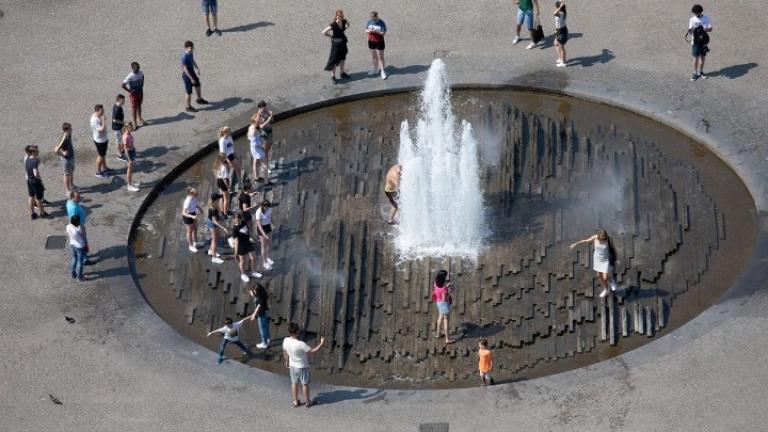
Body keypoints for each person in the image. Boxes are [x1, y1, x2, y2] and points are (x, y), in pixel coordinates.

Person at [282, 323, 326, 408]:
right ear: (297, 332)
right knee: (304, 384)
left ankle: (295, 401)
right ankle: (308, 402)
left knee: (294, 383)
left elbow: (285, 352)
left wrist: (286, 361)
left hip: (292, 365)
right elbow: (313, 351)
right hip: (302, 366)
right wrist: (321, 344)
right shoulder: (301, 344)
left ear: (289, 332)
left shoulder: (285, 340)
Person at [570, 229, 619, 298]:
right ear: (598, 236)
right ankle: (605, 289)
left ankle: (611, 281)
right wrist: (575, 244)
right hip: (597, 259)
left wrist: (616, 259)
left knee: (605, 277)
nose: (602, 239)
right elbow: (586, 241)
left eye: (604, 238)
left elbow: (613, 249)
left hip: (605, 260)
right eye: (601, 238)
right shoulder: (595, 237)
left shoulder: (608, 239)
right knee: (599, 276)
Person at [232, 212, 262, 282]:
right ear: (233, 220)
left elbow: (249, 232)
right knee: (242, 261)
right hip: (241, 246)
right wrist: (236, 252)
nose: (238, 220)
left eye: (239, 218)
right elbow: (236, 241)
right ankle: (243, 274)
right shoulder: (234, 229)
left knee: (253, 257)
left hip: (248, 242)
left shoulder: (244, 223)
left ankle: (253, 272)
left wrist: (255, 238)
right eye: (236, 219)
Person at [322, 10, 351, 84]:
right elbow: (323, 32)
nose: (340, 18)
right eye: (339, 17)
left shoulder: (344, 21)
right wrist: (331, 36)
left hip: (343, 43)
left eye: (342, 16)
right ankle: (333, 76)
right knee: (334, 60)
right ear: (336, 16)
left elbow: (348, 25)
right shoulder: (333, 24)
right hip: (336, 45)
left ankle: (342, 73)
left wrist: (347, 21)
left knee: (342, 59)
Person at [181, 41, 209, 112]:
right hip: (187, 76)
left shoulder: (191, 53)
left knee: (198, 85)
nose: (192, 49)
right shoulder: (184, 57)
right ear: (186, 48)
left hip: (192, 73)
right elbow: (185, 69)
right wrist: (191, 78)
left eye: (192, 47)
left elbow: (192, 60)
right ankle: (188, 106)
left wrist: (197, 68)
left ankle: (199, 99)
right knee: (188, 92)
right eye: (191, 48)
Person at [687, 4, 713, 81]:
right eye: (695, 13)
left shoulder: (706, 18)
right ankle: (695, 73)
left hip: (704, 41)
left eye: (697, 13)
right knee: (696, 58)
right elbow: (690, 31)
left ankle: (701, 72)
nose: (696, 15)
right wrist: (692, 30)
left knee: (703, 57)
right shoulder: (692, 19)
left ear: (700, 12)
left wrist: (706, 29)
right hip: (695, 42)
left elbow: (711, 29)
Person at [24, 145, 47, 219]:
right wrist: (39, 180)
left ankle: (32, 214)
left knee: (31, 196)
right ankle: (42, 213)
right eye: (37, 151)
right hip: (35, 182)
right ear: (33, 152)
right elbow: (35, 173)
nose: (38, 152)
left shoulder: (27, 159)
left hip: (29, 180)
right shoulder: (35, 161)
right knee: (38, 199)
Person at [66, 191, 89, 262]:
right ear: (72, 197)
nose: (79, 199)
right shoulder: (74, 209)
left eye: (79, 197)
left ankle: (82, 256)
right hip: (79, 227)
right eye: (77, 198)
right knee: (82, 243)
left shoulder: (69, 202)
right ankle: (84, 259)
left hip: (77, 226)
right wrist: (84, 238)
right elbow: (74, 221)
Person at [90, 104, 111, 178]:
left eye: (103, 110)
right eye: (102, 111)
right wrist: (103, 120)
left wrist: (102, 117)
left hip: (104, 139)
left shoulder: (98, 115)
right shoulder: (94, 120)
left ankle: (105, 168)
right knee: (100, 156)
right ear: (97, 111)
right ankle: (98, 172)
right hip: (99, 141)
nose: (103, 112)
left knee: (103, 155)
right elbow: (101, 129)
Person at [121, 62, 145, 127]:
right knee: (134, 108)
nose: (139, 69)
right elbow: (123, 85)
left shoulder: (140, 72)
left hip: (140, 92)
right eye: (137, 68)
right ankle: (135, 122)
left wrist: (142, 84)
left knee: (139, 105)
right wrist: (129, 91)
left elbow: (143, 76)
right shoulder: (130, 76)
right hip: (133, 95)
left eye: (139, 67)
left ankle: (139, 118)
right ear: (133, 69)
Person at [54, 122, 75, 194]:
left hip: (71, 156)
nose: (72, 129)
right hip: (66, 159)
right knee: (67, 174)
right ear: (66, 130)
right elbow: (56, 150)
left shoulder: (69, 134)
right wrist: (62, 153)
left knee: (71, 172)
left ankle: (72, 185)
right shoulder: (64, 138)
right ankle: (67, 190)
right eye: (70, 128)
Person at [365, 11, 388, 80]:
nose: (373, 20)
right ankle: (375, 69)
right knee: (374, 57)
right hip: (371, 41)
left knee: (380, 57)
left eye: (374, 19)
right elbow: (366, 29)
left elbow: (383, 33)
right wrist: (368, 31)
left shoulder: (381, 22)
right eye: (372, 18)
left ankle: (382, 71)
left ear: (377, 16)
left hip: (379, 41)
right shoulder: (369, 21)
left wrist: (377, 32)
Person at [255, 102, 274, 184]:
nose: (266, 108)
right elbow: (259, 127)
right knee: (265, 150)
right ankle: (266, 166)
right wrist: (268, 119)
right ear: (260, 107)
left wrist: (271, 116)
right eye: (264, 107)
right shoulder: (258, 116)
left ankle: (267, 164)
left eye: (266, 106)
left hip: (270, 131)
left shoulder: (267, 112)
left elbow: (272, 121)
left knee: (269, 148)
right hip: (264, 133)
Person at [432, 270, 453, 343]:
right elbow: (445, 299)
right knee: (446, 320)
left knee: (440, 317)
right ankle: (447, 339)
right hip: (444, 304)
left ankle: (438, 334)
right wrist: (449, 292)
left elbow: (437, 291)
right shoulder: (444, 289)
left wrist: (446, 286)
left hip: (438, 302)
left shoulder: (435, 282)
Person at [206, 192, 226, 264]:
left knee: (217, 237)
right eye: (218, 199)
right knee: (214, 240)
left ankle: (211, 251)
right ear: (215, 200)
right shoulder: (213, 209)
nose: (220, 199)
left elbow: (217, 216)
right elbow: (214, 221)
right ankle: (214, 257)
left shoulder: (214, 205)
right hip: (212, 223)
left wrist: (220, 218)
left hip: (212, 221)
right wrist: (223, 228)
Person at [249, 284, 271, 349]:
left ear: (258, 291)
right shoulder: (263, 294)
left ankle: (264, 343)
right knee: (266, 327)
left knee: (262, 329)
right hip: (265, 312)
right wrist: (253, 295)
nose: (254, 292)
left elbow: (258, 307)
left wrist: (254, 315)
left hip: (261, 314)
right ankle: (268, 339)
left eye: (255, 291)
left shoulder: (260, 298)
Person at [255, 200, 274, 271]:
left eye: (269, 207)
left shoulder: (269, 209)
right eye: (267, 207)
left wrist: (273, 223)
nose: (268, 208)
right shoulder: (258, 212)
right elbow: (259, 225)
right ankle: (264, 262)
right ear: (263, 206)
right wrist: (264, 234)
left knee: (269, 244)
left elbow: (271, 217)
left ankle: (268, 257)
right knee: (264, 246)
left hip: (268, 226)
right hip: (261, 229)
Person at [181, 187, 201, 253]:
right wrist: (191, 216)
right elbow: (183, 213)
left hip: (193, 213)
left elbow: (196, 204)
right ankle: (190, 246)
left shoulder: (194, 198)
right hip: (188, 216)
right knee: (189, 231)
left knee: (195, 228)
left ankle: (195, 242)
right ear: (191, 194)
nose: (197, 194)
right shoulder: (187, 201)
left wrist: (200, 209)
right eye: (195, 194)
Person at [66, 215, 87, 281]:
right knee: (80, 262)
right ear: (77, 222)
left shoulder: (68, 226)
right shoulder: (78, 229)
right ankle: (80, 277)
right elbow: (84, 236)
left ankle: (73, 273)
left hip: (72, 244)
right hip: (80, 246)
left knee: (74, 258)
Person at [248, 115, 266, 182]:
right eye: (258, 120)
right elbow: (252, 137)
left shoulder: (255, 127)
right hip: (257, 147)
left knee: (256, 161)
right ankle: (266, 179)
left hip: (256, 147)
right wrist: (262, 147)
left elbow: (260, 131)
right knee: (264, 163)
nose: (260, 121)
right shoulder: (253, 128)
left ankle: (256, 177)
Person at [123, 121, 140, 192]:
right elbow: (125, 149)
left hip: (132, 151)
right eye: (131, 127)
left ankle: (131, 182)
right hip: (129, 153)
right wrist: (129, 159)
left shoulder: (129, 133)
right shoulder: (125, 136)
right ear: (127, 128)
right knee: (129, 169)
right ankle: (129, 185)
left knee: (131, 168)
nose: (132, 128)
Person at [112, 94, 126, 162]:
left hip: (120, 126)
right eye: (123, 100)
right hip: (117, 127)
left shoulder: (118, 106)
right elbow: (114, 120)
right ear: (119, 100)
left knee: (121, 139)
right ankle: (120, 155)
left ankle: (121, 150)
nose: (124, 102)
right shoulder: (117, 109)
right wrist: (123, 122)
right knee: (118, 141)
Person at [553, 1, 568, 67]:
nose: (554, 7)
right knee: (556, 43)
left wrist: (560, 6)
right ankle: (561, 58)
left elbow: (554, 13)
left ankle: (563, 62)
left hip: (561, 32)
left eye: (555, 6)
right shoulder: (562, 12)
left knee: (561, 48)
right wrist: (561, 3)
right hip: (560, 31)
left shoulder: (560, 13)